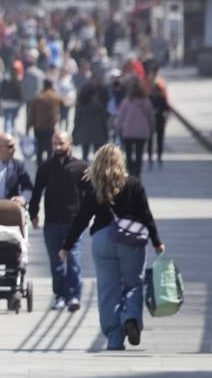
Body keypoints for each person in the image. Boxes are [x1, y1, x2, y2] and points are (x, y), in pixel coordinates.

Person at [59, 146, 164, 351]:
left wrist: (66, 246)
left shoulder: (94, 186)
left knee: (108, 290)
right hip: (131, 241)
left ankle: (115, 338)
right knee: (133, 284)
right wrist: (156, 241)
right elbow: (146, 215)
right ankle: (131, 318)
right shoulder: (134, 184)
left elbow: (81, 219)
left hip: (102, 239)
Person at [29, 131, 87, 312]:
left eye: (61, 143)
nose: (57, 147)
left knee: (74, 261)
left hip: (74, 223)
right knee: (56, 264)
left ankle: (74, 296)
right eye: (54, 143)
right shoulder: (46, 167)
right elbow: (37, 192)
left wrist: (87, 217)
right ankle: (60, 295)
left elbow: (89, 195)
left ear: (70, 143)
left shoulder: (81, 166)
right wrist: (34, 214)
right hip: (52, 223)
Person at [114, 76, 154, 179]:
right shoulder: (146, 102)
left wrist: (118, 128)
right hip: (142, 132)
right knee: (139, 153)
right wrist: (151, 128)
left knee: (128, 153)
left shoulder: (127, 101)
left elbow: (121, 117)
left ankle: (131, 170)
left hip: (128, 131)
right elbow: (150, 116)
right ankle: (138, 170)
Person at [72, 74, 110, 162]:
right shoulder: (85, 91)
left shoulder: (102, 91)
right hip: (87, 125)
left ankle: (95, 167)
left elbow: (106, 108)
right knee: (86, 150)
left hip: (97, 125)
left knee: (97, 151)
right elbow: (79, 108)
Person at [27, 80, 64, 168]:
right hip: (50, 127)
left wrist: (27, 127)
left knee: (39, 148)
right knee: (50, 148)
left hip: (38, 127)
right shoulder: (55, 97)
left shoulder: (38, 97)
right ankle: (49, 166)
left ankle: (39, 166)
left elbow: (31, 114)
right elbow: (64, 104)